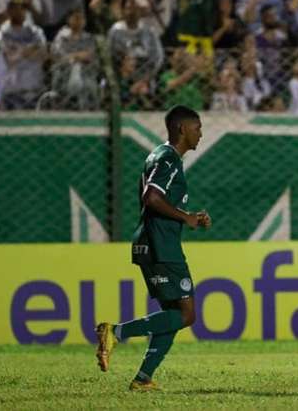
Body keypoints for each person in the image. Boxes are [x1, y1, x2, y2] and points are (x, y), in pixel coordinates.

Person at [95, 105, 212, 391]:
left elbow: (159, 200)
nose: (201, 133)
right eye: (197, 128)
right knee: (186, 315)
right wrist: (186, 217)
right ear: (182, 129)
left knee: (172, 316)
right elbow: (152, 198)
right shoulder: (168, 159)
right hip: (161, 247)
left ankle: (143, 378)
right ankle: (115, 332)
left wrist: (191, 216)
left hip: (156, 243)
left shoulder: (162, 158)